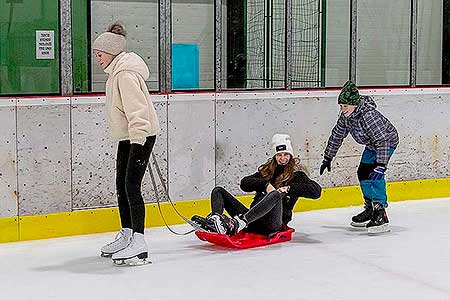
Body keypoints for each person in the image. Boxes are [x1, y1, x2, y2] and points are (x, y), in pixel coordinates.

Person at [92, 22, 160, 263]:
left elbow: (138, 111)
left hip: (139, 135)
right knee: (121, 185)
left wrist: (138, 142)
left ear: (110, 52)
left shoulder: (125, 75)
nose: (97, 58)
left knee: (131, 186)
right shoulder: (115, 74)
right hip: (128, 136)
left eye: (99, 54)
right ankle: (127, 234)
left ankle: (139, 243)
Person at [192, 134, 322, 236]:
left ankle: (238, 223)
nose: (283, 158)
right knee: (218, 191)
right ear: (275, 156)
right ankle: (216, 221)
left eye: (286, 154)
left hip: (273, 224)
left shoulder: (297, 175)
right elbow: (244, 183)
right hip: (253, 220)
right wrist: (265, 185)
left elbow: (316, 191)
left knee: (276, 194)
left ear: (291, 155)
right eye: (279, 155)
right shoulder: (267, 172)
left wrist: (288, 189)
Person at [319, 80, 398, 234]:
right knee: (362, 173)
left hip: (386, 142)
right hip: (372, 145)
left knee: (375, 175)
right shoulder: (346, 116)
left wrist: (381, 165)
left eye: (345, 106)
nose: (342, 109)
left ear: (354, 104)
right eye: (340, 106)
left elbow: (382, 140)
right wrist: (328, 157)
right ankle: (369, 208)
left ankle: (380, 212)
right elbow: (337, 135)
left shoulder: (369, 116)